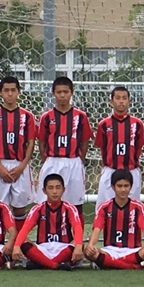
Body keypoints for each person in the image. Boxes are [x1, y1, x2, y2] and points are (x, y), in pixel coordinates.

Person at [0, 76, 37, 232]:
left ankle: (18, 242)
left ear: (18, 92)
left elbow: (31, 143)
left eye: (13, 90)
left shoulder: (27, 116)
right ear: (0, 92)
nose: (10, 93)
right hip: (0, 165)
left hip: (20, 165)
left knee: (19, 208)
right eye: (6, 90)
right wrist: (0, 168)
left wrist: (22, 167)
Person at [36, 76, 94, 218]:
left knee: (76, 204)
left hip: (73, 162)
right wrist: (47, 159)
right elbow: (41, 141)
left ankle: (76, 232)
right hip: (52, 161)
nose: (62, 95)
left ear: (71, 92)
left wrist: (80, 159)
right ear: (53, 93)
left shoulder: (81, 116)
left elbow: (85, 141)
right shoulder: (46, 117)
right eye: (59, 92)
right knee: (47, 202)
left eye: (65, 92)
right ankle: (49, 230)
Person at [12, 174, 84, 271]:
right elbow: (25, 229)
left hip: (64, 248)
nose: (54, 191)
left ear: (63, 190)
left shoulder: (70, 208)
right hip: (43, 249)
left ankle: (41, 263)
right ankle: (56, 265)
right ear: (44, 191)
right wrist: (16, 246)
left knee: (78, 243)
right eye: (50, 188)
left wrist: (78, 246)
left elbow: (77, 228)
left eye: (58, 188)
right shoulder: (37, 209)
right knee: (23, 242)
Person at [85, 170, 144, 270]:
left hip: (133, 250)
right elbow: (96, 229)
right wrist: (91, 246)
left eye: (126, 186)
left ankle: (107, 263)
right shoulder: (104, 207)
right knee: (88, 252)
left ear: (131, 186)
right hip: (110, 250)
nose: (123, 189)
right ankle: (134, 266)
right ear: (113, 187)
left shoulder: (138, 207)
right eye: (119, 186)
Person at [94, 86, 144, 209]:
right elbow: (102, 146)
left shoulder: (137, 124)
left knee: (132, 209)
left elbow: (139, 146)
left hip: (131, 171)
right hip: (110, 170)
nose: (121, 101)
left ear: (129, 101)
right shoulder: (104, 124)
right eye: (117, 98)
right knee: (105, 208)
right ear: (111, 101)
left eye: (124, 98)